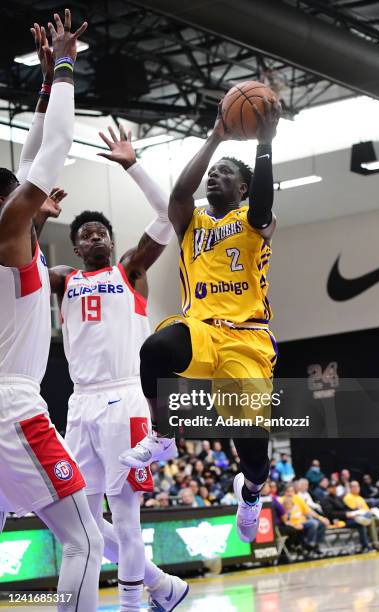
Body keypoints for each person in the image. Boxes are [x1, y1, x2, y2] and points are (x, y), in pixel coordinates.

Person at [38, 125, 188, 611]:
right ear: (76, 248)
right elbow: (16, 257)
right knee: (75, 513)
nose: (95, 235)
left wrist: (132, 165)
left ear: (110, 239)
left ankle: (132, 603)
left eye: (101, 230)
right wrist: (38, 218)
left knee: (125, 519)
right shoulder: (62, 280)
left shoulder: (131, 270)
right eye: (85, 234)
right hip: (79, 403)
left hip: (125, 397)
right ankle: (162, 585)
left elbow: (170, 213)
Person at [120, 97, 282, 544]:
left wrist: (263, 144)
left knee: (252, 447)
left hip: (247, 340)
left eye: (225, 174)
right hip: (201, 329)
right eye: (213, 173)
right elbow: (175, 197)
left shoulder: (255, 221)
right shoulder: (191, 223)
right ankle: (164, 433)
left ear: (243, 189)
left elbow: (264, 200)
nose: (214, 176)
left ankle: (250, 493)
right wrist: (215, 138)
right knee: (155, 350)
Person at [0, 11, 104, 612]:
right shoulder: (9, 228)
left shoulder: (14, 232)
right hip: (14, 407)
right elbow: (55, 148)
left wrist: (42, 87)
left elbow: (32, 153)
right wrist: (65, 65)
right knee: (85, 540)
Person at [321, 480, 371, 552]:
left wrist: (356, 511)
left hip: (345, 519)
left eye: (335, 487)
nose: (335, 489)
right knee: (360, 524)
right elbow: (330, 514)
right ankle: (365, 546)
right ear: (328, 489)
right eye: (333, 487)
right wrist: (346, 514)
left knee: (364, 520)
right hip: (336, 521)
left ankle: (367, 545)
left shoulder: (338, 498)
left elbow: (346, 508)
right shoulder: (325, 499)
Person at [344, 481, 379, 550]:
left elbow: (366, 509)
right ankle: (375, 544)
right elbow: (352, 510)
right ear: (351, 488)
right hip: (355, 518)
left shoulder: (360, 498)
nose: (357, 488)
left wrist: (371, 511)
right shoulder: (348, 497)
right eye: (355, 486)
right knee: (371, 520)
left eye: (358, 486)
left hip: (366, 516)